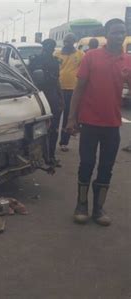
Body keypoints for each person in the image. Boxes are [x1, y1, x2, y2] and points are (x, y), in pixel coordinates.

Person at [66, 19, 130, 226]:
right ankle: (81, 204)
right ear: (106, 34)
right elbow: (79, 89)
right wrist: (71, 118)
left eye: (122, 32)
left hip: (112, 125)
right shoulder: (91, 57)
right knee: (86, 163)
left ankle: (98, 208)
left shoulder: (127, 60)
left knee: (107, 167)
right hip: (90, 123)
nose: (119, 36)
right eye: (115, 32)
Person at [29, 39, 64, 167]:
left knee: (51, 129)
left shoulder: (53, 61)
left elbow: (56, 81)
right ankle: (44, 156)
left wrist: (60, 97)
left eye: (50, 48)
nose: (49, 49)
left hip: (46, 96)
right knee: (41, 129)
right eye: (48, 47)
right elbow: (29, 79)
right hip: (40, 96)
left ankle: (49, 156)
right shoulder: (36, 60)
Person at [54, 33, 84, 152]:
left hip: (72, 90)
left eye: (70, 41)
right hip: (58, 89)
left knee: (68, 116)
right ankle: (51, 140)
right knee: (55, 115)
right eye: (66, 41)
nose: (67, 44)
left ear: (74, 42)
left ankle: (64, 142)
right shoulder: (56, 54)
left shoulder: (81, 55)